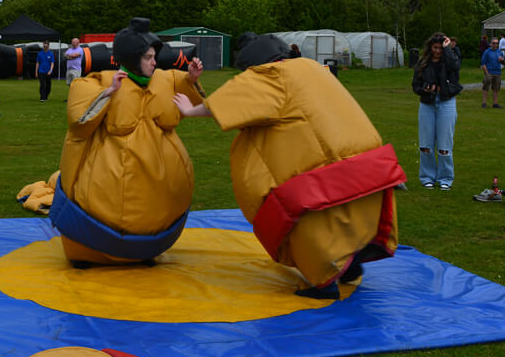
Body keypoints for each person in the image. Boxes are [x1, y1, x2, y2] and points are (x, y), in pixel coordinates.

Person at [173, 32, 403, 299]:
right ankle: (350, 265)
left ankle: (323, 281)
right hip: (370, 168)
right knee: (352, 217)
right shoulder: (311, 67)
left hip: (327, 178)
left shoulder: (270, 75)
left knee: (309, 223)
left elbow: (230, 101)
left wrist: (191, 109)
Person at [48, 17, 205, 266]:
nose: (154, 62)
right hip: (102, 198)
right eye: (148, 57)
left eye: (155, 56)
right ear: (132, 58)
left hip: (156, 198)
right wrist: (109, 93)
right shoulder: (97, 82)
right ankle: (88, 251)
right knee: (87, 244)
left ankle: (145, 246)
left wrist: (192, 79)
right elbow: (79, 123)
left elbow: (192, 99)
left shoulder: (166, 80)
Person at [412, 33, 462, 190]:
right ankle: (427, 176)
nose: (438, 51)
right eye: (435, 48)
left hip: (446, 102)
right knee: (425, 143)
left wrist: (448, 48)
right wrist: (426, 89)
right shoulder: (423, 63)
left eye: (441, 48)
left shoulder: (449, 60)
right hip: (427, 103)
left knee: (444, 145)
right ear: (430, 47)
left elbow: (455, 66)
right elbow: (415, 85)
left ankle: (445, 178)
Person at [480, 37, 504, 108]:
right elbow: (483, 63)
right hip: (489, 72)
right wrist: (486, 73)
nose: (495, 44)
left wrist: (502, 60)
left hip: (497, 72)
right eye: (494, 43)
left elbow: (503, 62)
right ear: (491, 44)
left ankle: (495, 103)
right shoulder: (487, 52)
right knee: (486, 87)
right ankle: (484, 103)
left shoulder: (499, 52)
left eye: (497, 43)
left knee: (496, 88)